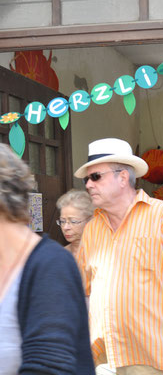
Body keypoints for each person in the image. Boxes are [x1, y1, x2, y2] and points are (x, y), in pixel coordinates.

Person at [75, 138, 163, 375]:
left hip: (152, 357)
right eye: (86, 179)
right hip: (103, 356)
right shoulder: (93, 227)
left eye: (95, 177)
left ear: (123, 177)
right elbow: (86, 290)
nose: (89, 185)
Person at [0, 143, 95, 374]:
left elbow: (50, 365)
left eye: (74, 221)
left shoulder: (51, 265)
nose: (67, 227)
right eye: (63, 221)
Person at [56, 189, 94, 256]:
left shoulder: (103, 255)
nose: (65, 227)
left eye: (73, 221)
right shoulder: (60, 255)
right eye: (62, 221)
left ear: (90, 220)